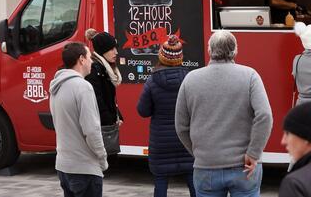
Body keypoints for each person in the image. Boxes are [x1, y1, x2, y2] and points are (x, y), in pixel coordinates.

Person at [175, 30, 273, 197]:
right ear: (235, 51)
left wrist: (199, 152)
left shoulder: (190, 79)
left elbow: (181, 126)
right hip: (244, 167)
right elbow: (264, 116)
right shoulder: (250, 76)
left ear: (209, 50)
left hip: (206, 167)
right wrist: (253, 153)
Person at [137, 34, 196, 197]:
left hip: (161, 142)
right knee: (193, 180)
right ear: (180, 57)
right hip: (186, 140)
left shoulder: (152, 80)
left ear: (161, 56)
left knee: (161, 181)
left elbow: (142, 111)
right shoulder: (190, 79)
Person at [49, 42, 108, 197]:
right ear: (81, 59)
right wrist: (102, 159)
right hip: (84, 168)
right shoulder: (83, 87)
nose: (91, 62)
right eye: (89, 57)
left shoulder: (56, 86)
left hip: (63, 166)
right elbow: (91, 130)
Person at [85, 29, 123, 128]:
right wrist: (110, 121)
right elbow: (97, 101)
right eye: (112, 49)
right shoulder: (94, 69)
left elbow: (109, 99)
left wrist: (117, 116)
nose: (116, 52)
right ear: (102, 51)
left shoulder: (106, 67)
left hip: (106, 124)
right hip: (101, 127)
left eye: (116, 48)